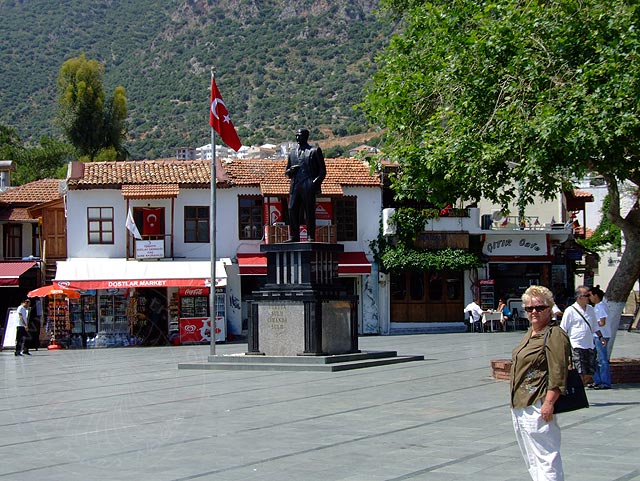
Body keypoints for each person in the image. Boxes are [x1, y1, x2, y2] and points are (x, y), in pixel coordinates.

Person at [511, 285, 571, 481]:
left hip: (538, 402)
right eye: (529, 308)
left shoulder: (553, 334)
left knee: (546, 456)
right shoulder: (532, 332)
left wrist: (549, 403)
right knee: (532, 457)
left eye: (539, 308)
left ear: (550, 308)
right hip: (521, 403)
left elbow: (558, 370)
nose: (534, 312)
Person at [284, 128, 326, 242]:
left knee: (309, 211)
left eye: (300, 135)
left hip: (308, 183)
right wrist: (291, 170)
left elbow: (322, 171)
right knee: (292, 209)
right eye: (296, 135)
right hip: (295, 185)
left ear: (306, 137)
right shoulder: (292, 152)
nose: (298, 137)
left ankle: (310, 236)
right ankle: (294, 236)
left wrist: (314, 183)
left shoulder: (314, 150)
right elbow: (286, 172)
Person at [560, 286, 597, 387]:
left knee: (590, 372)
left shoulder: (591, 309)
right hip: (576, 345)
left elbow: (595, 326)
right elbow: (563, 329)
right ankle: (579, 392)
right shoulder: (570, 311)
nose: (589, 297)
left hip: (589, 345)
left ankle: (581, 387)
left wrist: (601, 338)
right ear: (580, 297)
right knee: (579, 371)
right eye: (587, 295)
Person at [588, 285, 611, 389]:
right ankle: (597, 380)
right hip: (596, 335)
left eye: (590, 295)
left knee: (602, 359)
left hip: (601, 336)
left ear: (595, 296)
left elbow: (602, 322)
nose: (589, 298)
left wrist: (591, 323)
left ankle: (605, 382)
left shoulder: (601, 306)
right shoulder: (596, 307)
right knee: (594, 359)